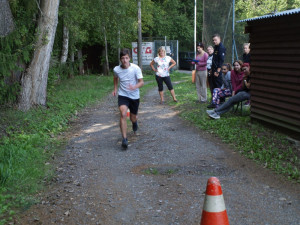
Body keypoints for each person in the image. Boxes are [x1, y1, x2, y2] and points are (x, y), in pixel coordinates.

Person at [113, 48, 144, 149]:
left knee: (132, 117)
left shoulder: (135, 68)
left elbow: (141, 82)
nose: (125, 60)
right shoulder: (116, 69)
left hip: (134, 96)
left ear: (129, 58)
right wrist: (115, 89)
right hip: (123, 95)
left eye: (126, 58)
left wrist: (134, 87)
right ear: (120, 59)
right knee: (122, 114)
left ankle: (134, 123)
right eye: (123, 58)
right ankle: (124, 139)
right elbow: (115, 77)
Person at [209, 34, 226, 101]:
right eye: (213, 40)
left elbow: (221, 60)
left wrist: (218, 71)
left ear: (219, 39)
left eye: (215, 40)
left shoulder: (221, 48)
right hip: (213, 69)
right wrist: (211, 69)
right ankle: (215, 101)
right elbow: (214, 60)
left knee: (218, 86)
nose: (214, 41)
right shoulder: (215, 47)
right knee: (213, 86)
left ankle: (221, 101)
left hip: (217, 70)